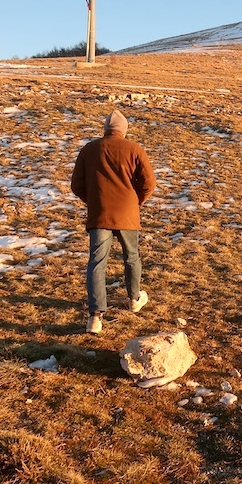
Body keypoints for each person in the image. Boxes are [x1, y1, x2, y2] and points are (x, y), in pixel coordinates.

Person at [70, 110, 156, 334]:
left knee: (97, 263)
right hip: (128, 214)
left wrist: (94, 201)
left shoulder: (89, 149)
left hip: (99, 214)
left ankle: (95, 317)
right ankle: (135, 298)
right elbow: (149, 183)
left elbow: (76, 185)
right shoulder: (134, 149)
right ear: (124, 130)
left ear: (105, 129)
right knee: (132, 257)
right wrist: (136, 201)